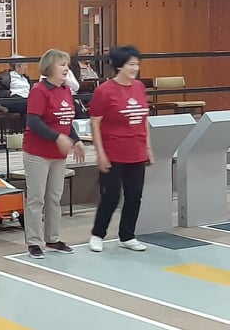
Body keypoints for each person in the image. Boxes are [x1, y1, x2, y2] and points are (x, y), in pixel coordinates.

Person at [22, 49, 85, 259]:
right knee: (36, 198)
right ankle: (33, 242)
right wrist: (57, 137)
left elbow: (65, 121)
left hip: (59, 155)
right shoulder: (39, 91)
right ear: (49, 67)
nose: (66, 68)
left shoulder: (66, 90)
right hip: (38, 153)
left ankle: (52, 239)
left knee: (54, 198)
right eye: (61, 64)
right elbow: (33, 121)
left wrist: (76, 140)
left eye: (67, 64)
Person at [88, 45, 152, 253]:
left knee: (135, 195)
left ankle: (127, 235)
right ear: (119, 66)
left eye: (137, 64)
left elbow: (144, 120)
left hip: (136, 151)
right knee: (111, 196)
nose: (135, 68)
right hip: (113, 152)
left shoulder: (139, 87)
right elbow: (95, 123)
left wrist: (148, 147)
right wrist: (100, 153)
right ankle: (98, 234)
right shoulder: (104, 91)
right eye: (130, 64)